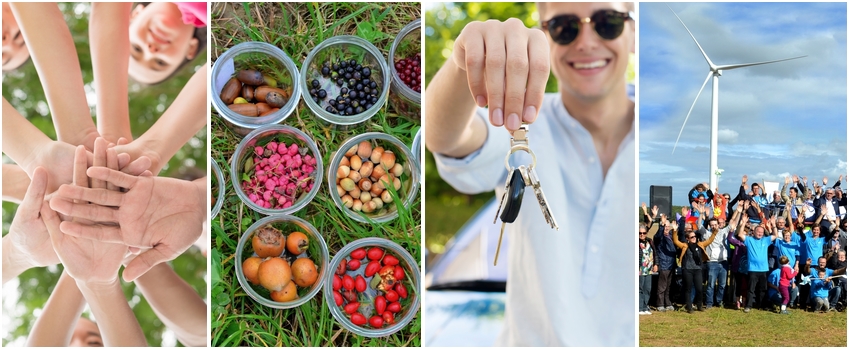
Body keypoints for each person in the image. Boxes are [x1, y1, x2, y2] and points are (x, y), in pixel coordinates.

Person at [424, 2, 635, 345]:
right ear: (543, 37)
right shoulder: (516, 119)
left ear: (633, 31)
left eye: (607, 22)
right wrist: (464, 62)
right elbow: (446, 139)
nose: (585, 42)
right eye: (564, 28)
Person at [737, 211, 778, 313]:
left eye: (761, 232)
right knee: (751, 289)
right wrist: (743, 223)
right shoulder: (749, 240)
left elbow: (775, 235)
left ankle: (762, 305)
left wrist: (773, 225)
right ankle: (748, 306)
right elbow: (740, 234)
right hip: (753, 269)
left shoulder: (765, 240)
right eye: (758, 232)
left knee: (763, 289)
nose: (760, 233)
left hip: (764, 269)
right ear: (754, 232)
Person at [673, 222, 719, 313]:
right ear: (687, 239)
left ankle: (699, 305)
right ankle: (689, 307)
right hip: (688, 270)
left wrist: (714, 232)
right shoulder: (685, 246)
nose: (694, 238)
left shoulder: (700, 244)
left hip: (698, 270)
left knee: (699, 289)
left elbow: (710, 241)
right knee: (688, 289)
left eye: (695, 236)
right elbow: (676, 241)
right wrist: (674, 231)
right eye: (692, 237)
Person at [638, 223, 656, 315]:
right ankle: (639, 307)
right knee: (640, 289)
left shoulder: (650, 241)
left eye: (644, 233)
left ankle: (645, 307)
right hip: (640, 270)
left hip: (649, 270)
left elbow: (655, 253)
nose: (642, 235)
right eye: (640, 233)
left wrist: (656, 264)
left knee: (647, 289)